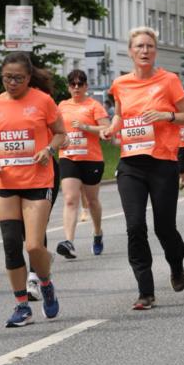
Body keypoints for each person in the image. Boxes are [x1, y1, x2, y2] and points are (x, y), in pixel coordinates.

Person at [101, 26, 184, 310]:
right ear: (130, 51)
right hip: (131, 163)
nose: (144, 51)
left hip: (162, 162)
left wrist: (166, 115)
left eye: (149, 46)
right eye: (139, 46)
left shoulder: (169, 80)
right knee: (135, 226)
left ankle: (176, 262)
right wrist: (111, 128)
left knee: (164, 227)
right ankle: (145, 291)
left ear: (155, 51)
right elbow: (120, 115)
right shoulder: (121, 84)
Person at [0, 52, 66, 326]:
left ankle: (45, 282)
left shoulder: (43, 101)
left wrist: (48, 149)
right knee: (11, 245)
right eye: (7, 78)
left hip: (37, 181)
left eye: (18, 78)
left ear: (29, 77)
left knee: (34, 245)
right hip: (5, 183)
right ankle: (22, 306)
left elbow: (61, 133)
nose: (12, 83)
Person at [56, 69, 109, 260]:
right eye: (73, 84)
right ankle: (69, 242)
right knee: (70, 199)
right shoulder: (62, 106)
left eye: (80, 84)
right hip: (68, 157)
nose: (76, 87)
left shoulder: (94, 105)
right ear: (68, 87)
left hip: (91, 158)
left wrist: (86, 127)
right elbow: (55, 129)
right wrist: (59, 139)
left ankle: (97, 233)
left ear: (86, 86)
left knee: (92, 201)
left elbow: (107, 128)